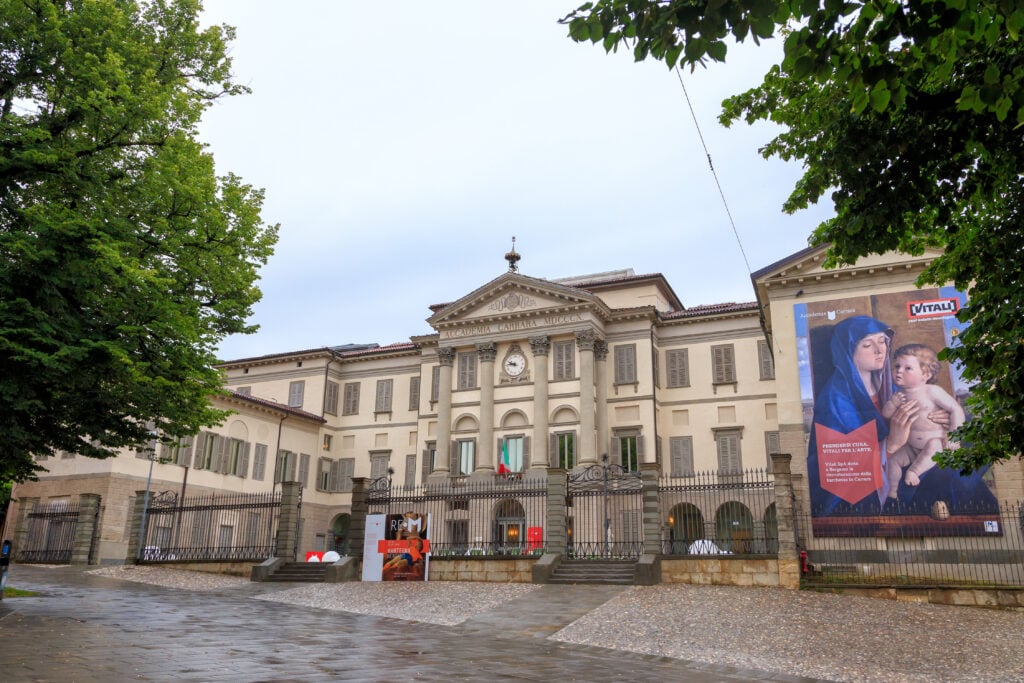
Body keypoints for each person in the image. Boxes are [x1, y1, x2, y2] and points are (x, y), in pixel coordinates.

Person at [882, 344, 965, 499]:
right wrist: (892, 403)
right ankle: (892, 491)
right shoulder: (899, 395)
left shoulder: (932, 391)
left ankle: (915, 472)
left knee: (934, 446)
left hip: (934, 443)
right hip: (910, 447)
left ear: (925, 374)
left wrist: (954, 436)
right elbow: (886, 414)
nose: (899, 371)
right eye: (897, 366)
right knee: (893, 461)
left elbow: (955, 409)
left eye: (908, 368)